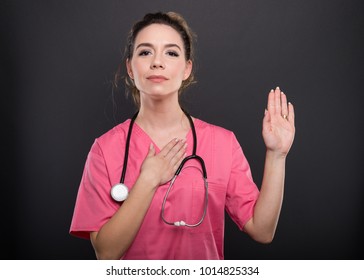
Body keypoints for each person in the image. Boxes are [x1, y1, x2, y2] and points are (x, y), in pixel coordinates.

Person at [69, 11, 295, 260]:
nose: (157, 62)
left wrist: (276, 155)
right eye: (145, 52)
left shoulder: (223, 143)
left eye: (171, 52)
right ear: (130, 69)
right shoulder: (105, 149)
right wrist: (148, 180)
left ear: (187, 68)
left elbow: (262, 230)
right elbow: (106, 253)